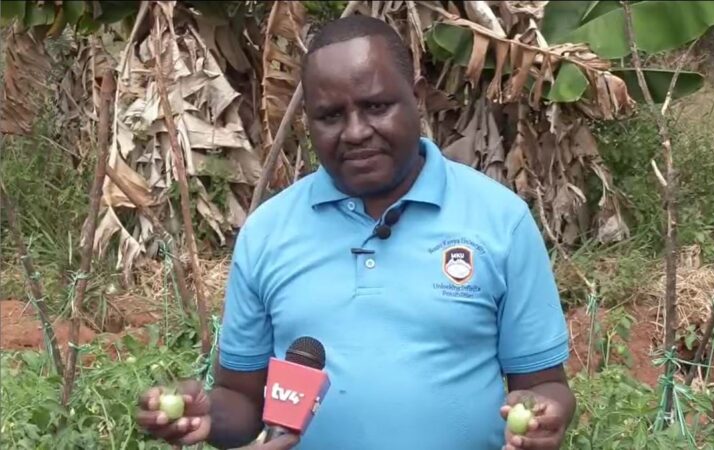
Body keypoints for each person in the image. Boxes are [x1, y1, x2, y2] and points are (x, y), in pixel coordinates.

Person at [136, 15, 575, 450]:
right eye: (329, 116)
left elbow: (545, 384)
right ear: (308, 121)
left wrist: (542, 414)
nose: (356, 132)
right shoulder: (267, 233)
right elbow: (242, 398)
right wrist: (207, 415)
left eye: (376, 106)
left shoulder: (500, 221)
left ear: (417, 98)